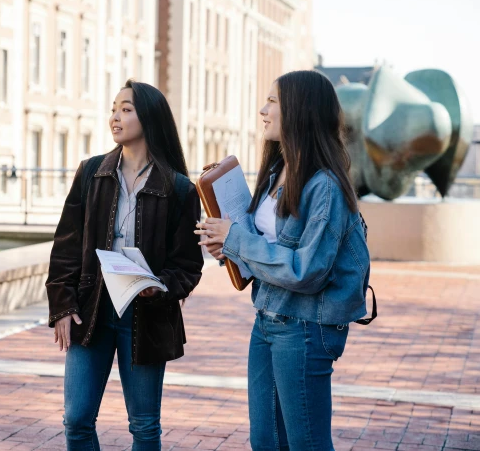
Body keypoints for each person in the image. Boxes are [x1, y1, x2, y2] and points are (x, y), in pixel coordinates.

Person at [195, 70, 371, 451]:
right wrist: (227, 246)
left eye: (272, 101)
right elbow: (265, 243)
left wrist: (237, 239)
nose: (263, 110)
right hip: (267, 319)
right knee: (266, 442)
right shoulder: (277, 170)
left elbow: (307, 270)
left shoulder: (325, 186)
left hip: (305, 328)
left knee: (306, 443)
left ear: (300, 110)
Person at [46, 79, 204, 451]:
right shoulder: (91, 173)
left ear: (148, 117)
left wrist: (159, 286)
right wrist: (63, 307)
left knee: (145, 426)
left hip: (147, 315)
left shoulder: (179, 189)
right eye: (113, 109)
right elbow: (66, 247)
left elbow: (188, 264)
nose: (115, 117)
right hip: (92, 311)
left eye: (126, 109)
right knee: (77, 419)